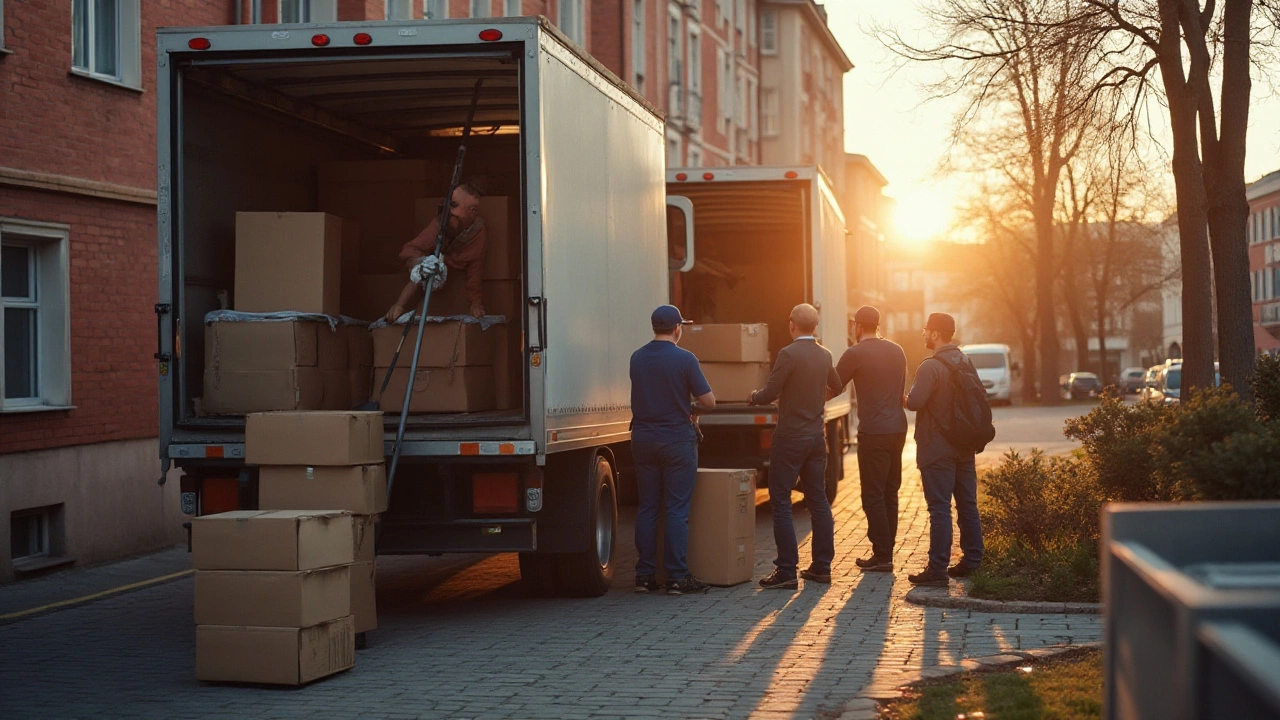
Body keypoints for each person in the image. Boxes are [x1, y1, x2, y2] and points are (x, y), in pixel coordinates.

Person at [748, 303, 844, 589]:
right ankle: (822, 567)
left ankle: (787, 571)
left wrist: (753, 395)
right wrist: (817, 400)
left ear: (792, 324)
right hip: (816, 438)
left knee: (779, 500)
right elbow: (837, 386)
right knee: (818, 501)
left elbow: (769, 393)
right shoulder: (824, 354)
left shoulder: (788, 354)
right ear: (815, 326)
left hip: (790, 438)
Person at [630, 305, 717, 596]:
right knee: (676, 510)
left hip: (642, 440)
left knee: (648, 507)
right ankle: (677, 577)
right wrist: (689, 406)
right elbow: (709, 402)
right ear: (677, 329)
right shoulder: (685, 359)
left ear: (655, 328)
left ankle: (644, 576)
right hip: (676, 441)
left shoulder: (637, 358)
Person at [904, 312, 984, 586]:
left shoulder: (930, 366)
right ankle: (973, 562)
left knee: (939, 509)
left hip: (937, 448)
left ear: (936, 334)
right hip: (964, 445)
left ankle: (937, 569)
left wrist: (901, 396)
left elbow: (915, 402)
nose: (924, 333)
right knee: (968, 505)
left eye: (926, 329)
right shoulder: (965, 360)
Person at [834, 305, 908, 573]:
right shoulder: (897, 350)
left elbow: (833, 388)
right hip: (898, 429)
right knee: (890, 491)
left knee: (872, 495)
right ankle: (887, 552)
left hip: (874, 432)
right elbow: (900, 388)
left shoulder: (854, 353)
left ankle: (882, 555)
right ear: (877, 324)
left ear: (857, 326)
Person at [386, 178, 489, 322]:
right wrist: (421, 261)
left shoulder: (478, 234)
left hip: (453, 280)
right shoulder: (442, 223)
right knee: (427, 268)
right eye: (450, 212)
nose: (450, 219)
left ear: (473, 211)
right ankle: (399, 306)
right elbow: (409, 249)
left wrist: (475, 304)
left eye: (456, 216)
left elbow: (475, 272)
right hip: (429, 271)